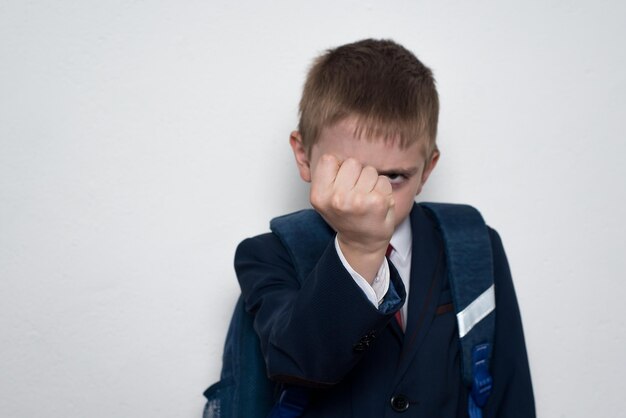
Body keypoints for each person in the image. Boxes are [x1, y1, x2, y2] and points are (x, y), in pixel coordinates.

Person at [235, 38, 535, 417]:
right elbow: (300, 366)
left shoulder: (475, 244)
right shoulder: (266, 255)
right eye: (349, 171)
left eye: (394, 176)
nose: (373, 194)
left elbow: (509, 392)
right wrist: (360, 247)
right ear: (303, 156)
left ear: (427, 169)